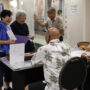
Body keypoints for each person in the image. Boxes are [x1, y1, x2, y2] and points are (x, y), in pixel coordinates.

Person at [0, 10, 15, 90]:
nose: (9, 19)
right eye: (7, 17)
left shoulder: (9, 27)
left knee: (8, 71)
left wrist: (13, 40)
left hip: (8, 52)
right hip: (1, 52)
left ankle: (7, 87)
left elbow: (12, 39)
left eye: (10, 17)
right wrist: (7, 41)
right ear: (2, 17)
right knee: (0, 72)